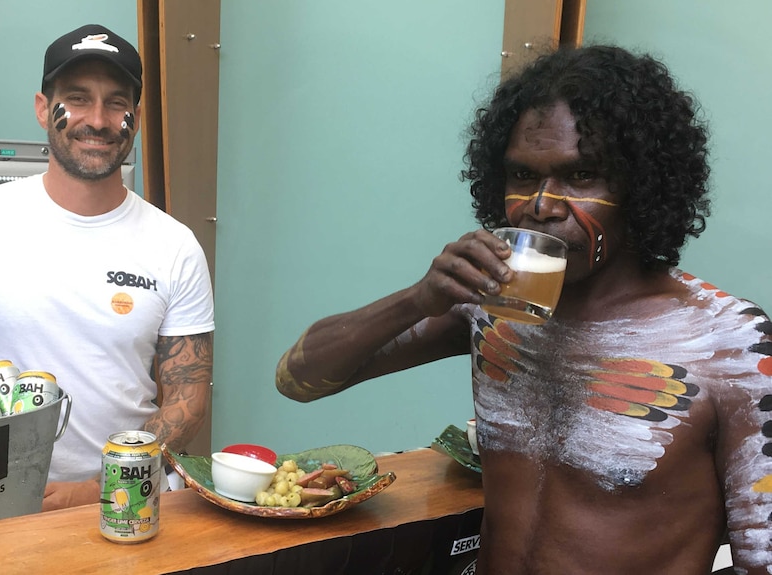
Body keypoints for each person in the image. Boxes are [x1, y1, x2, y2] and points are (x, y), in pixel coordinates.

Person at [275, 45, 772, 574]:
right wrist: (417, 299)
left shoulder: (728, 342)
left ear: (643, 185)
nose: (541, 205)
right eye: (521, 176)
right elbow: (300, 378)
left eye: (580, 177)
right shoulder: (492, 306)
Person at [0, 24, 214, 511]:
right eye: (77, 98)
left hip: (123, 501)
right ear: (41, 107)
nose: (97, 119)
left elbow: (187, 400)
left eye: (117, 103)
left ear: (135, 117)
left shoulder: (175, 247)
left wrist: (96, 489)